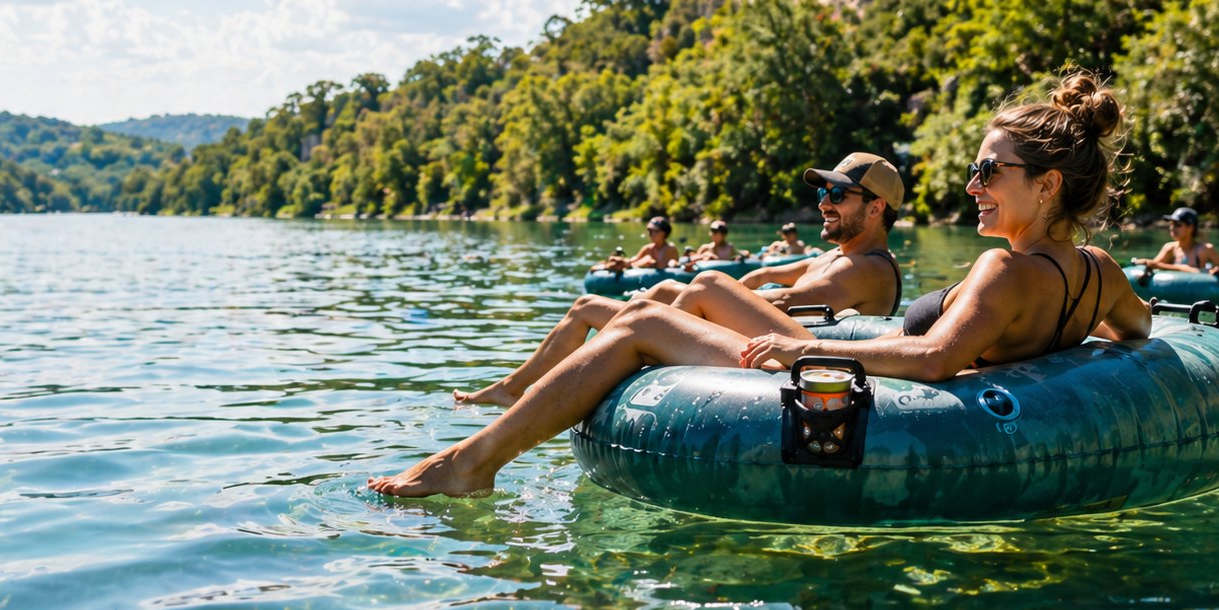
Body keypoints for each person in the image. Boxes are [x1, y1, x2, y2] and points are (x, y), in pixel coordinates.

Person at [367, 72, 1150, 499]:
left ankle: (469, 463)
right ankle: (481, 443)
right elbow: (1139, 334)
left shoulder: (1004, 267)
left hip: (849, 384)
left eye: (989, 170)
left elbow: (940, 358)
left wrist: (797, 348)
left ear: (1046, 185)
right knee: (656, 305)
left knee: (639, 325)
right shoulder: (1098, 271)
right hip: (913, 385)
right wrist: (1059, 364)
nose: (973, 182)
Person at [451, 153, 904, 407]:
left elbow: (785, 300)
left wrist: (715, 294)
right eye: (824, 192)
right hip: (769, 337)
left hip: (799, 359)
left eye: (838, 194)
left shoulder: (866, 267)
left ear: (877, 207)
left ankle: (629, 350)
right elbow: (767, 275)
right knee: (609, 302)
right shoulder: (834, 256)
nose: (824, 202)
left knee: (707, 285)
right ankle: (515, 387)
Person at [1135, 207, 1219, 273]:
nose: (1172, 228)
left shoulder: (1204, 249)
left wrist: (1182, 268)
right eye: (1171, 224)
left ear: (1190, 228)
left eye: (1178, 225)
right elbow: (1154, 265)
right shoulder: (1169, 248)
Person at [592, 216, 678, 272]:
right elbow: (633, 261)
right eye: (649, 231)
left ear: (665, 233)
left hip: (661, 280)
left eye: (655, 231)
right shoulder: (647, 248)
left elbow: (668, 267)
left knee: (648, 259)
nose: (651, 234)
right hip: (642, 276)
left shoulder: (670, 249)